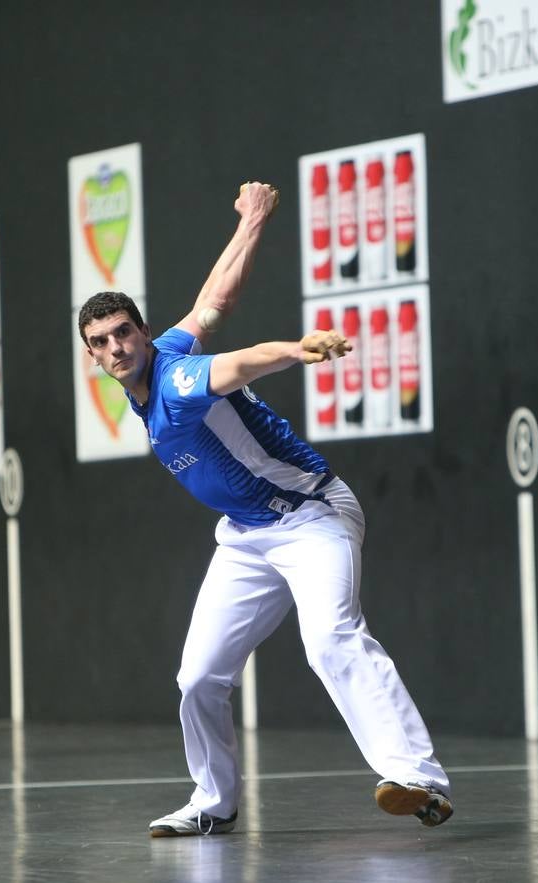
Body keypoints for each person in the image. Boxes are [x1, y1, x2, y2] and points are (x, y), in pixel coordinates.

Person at [77, 182, 452, 838]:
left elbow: (241, 363)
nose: (117, 348)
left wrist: (294, 351)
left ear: (141, 332)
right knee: (197, 676)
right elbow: (215, 300)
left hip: (313, 517)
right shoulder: (162, 358)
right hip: (247, 536)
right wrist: (252, 219)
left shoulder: (179, 380)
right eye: (102, 341)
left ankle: (417, 777)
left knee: (330, 638)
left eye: (124, 333)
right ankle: (212, 802)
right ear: (93, 355)